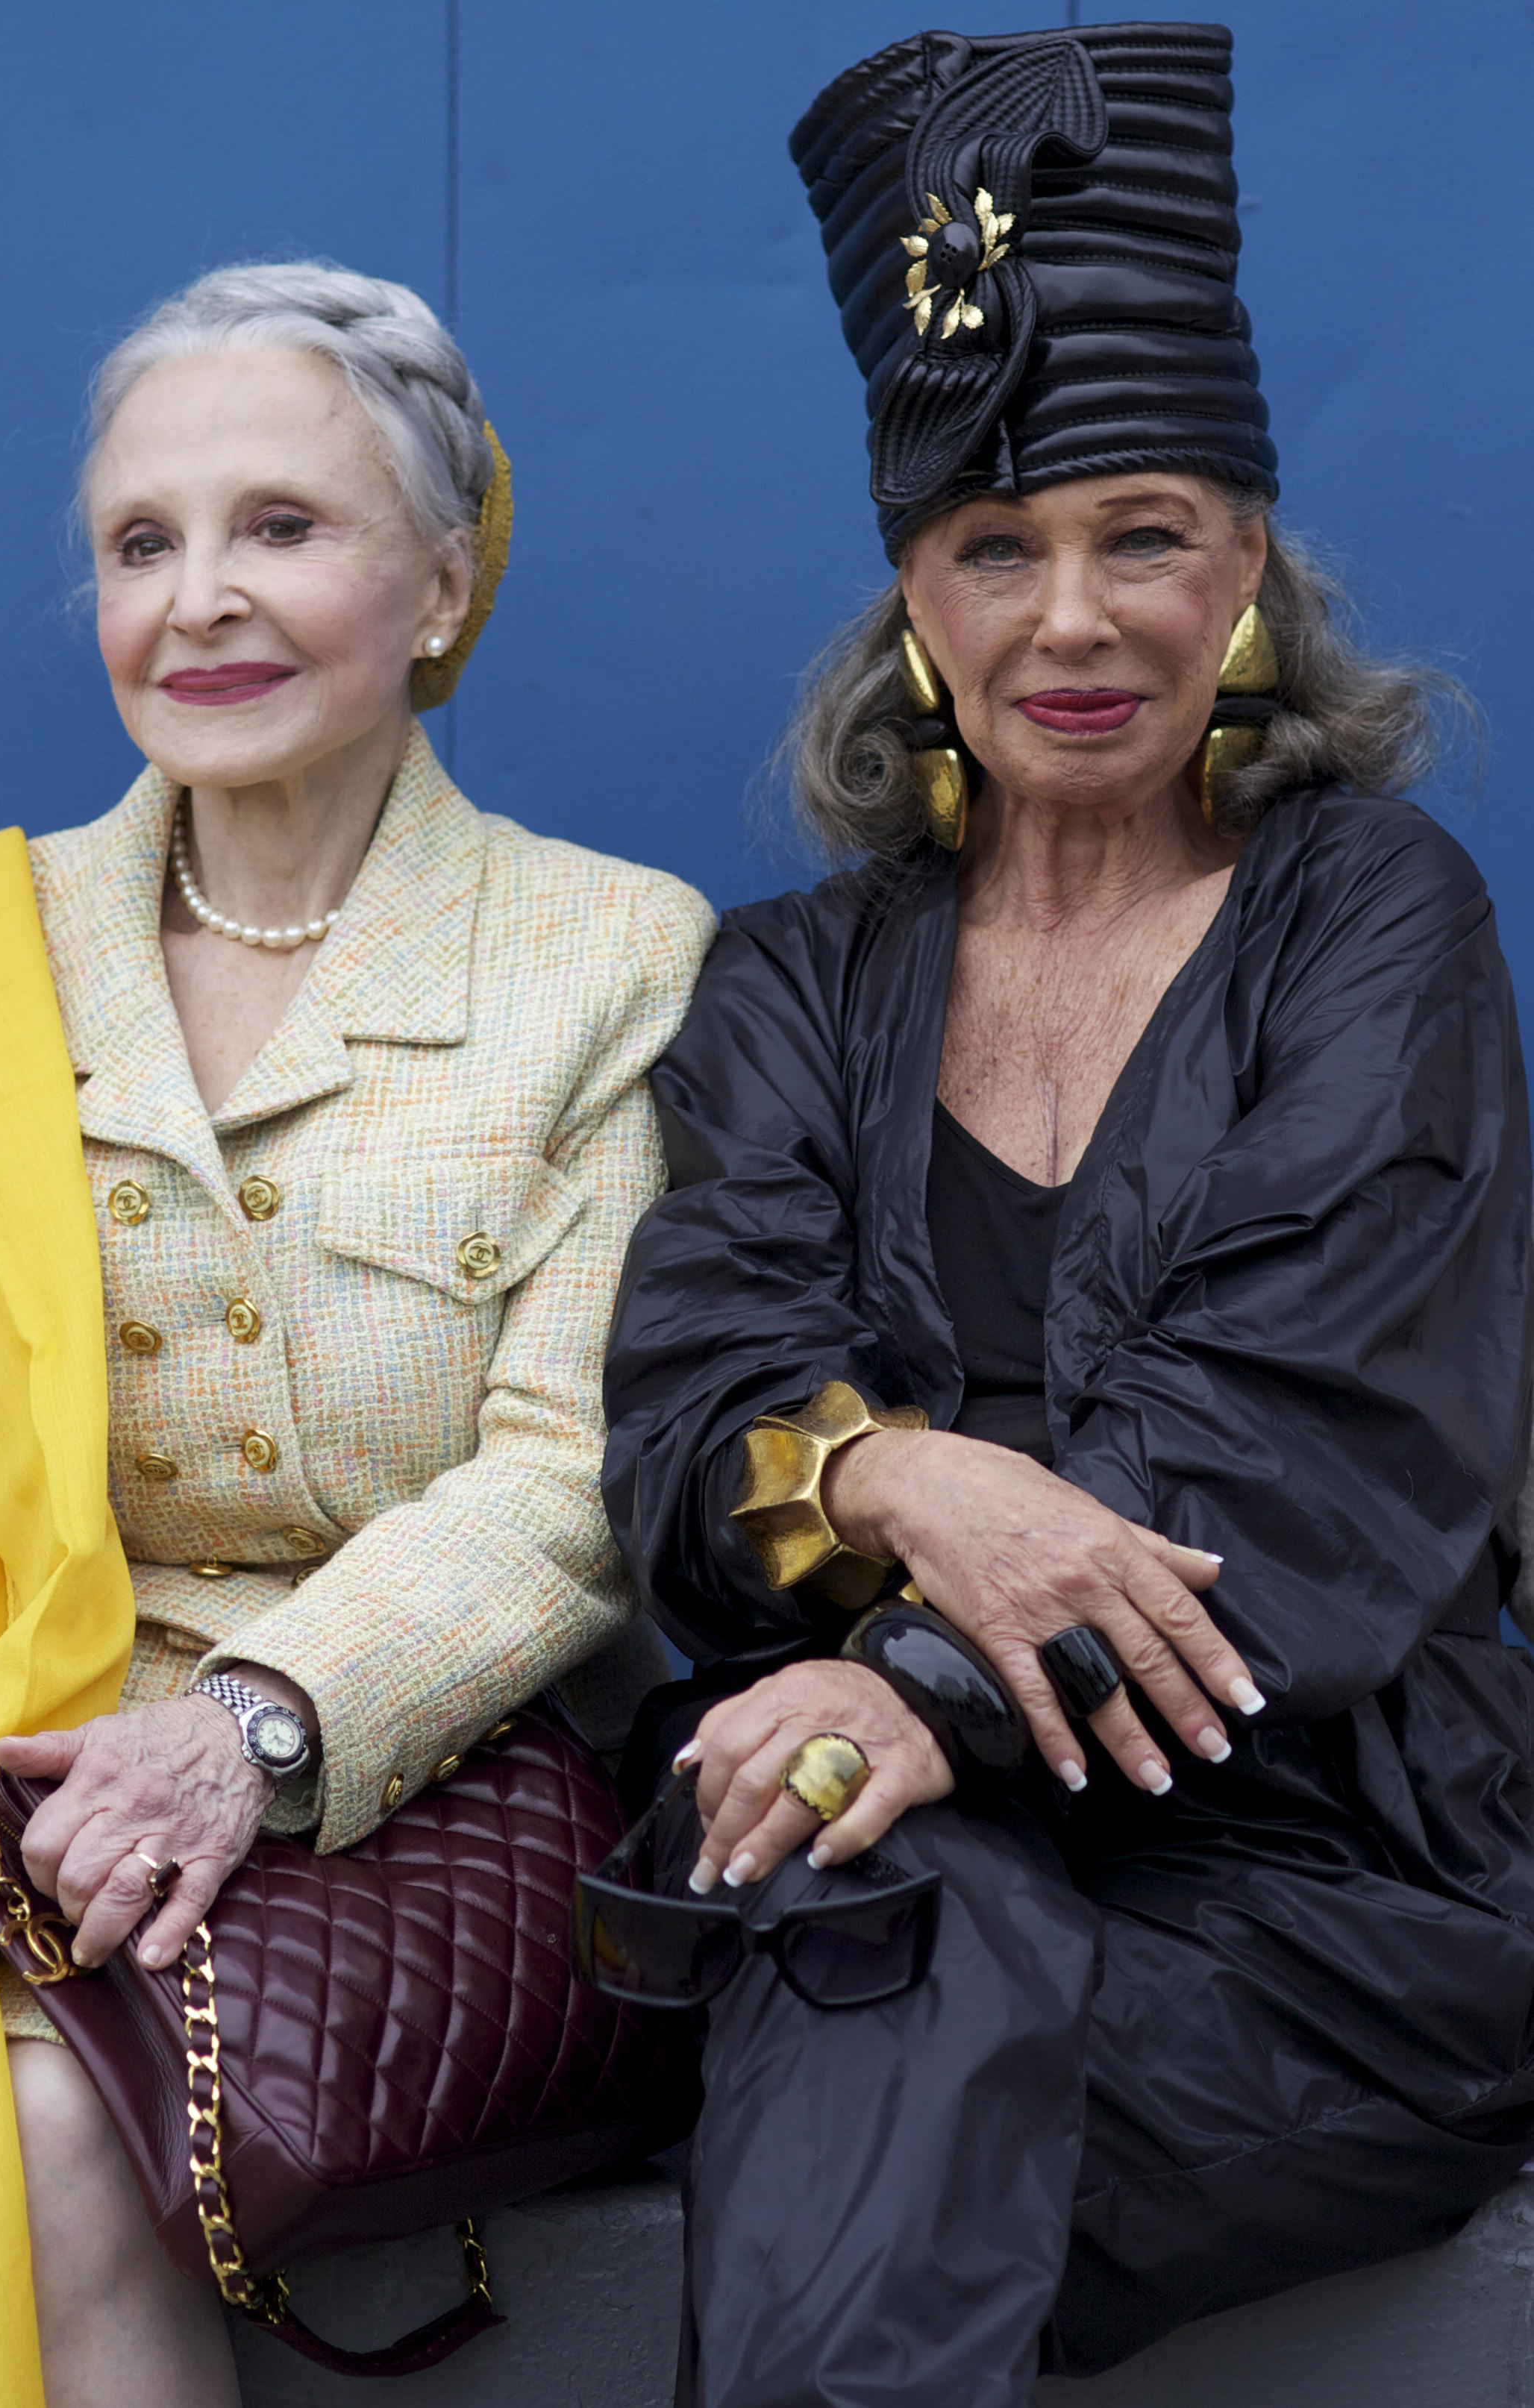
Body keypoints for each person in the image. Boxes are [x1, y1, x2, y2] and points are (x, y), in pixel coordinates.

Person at [0, 261, 713, 2407]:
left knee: (34, 2126)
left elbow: (572, 1485)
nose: (201, 601)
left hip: (426, 1781)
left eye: (283, 526)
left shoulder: (606, 955)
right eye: (141, 544)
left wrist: (249, 1734)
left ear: (443, 584)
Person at [600, 24, 1534, 2407]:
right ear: (913, 600)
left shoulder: (1370, 912)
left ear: (1248, 571)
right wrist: (900, 1476)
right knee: (879, 1939)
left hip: (1323, 1872)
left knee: (864, 1994)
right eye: (993, 549)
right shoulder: (787, 980)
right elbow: (689, 1417)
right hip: (877, 1816)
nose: (1072, 619)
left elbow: (1302, 1424)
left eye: (1145, 535)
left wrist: (914, 1682)